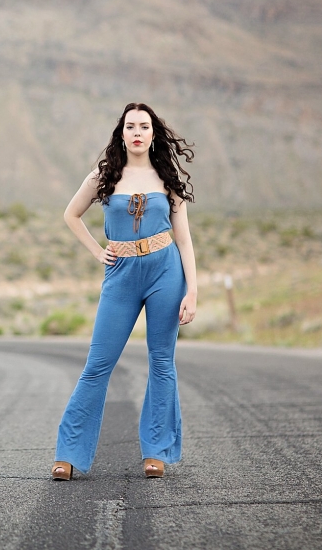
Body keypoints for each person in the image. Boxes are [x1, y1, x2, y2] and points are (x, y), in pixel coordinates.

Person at [51, 102, 198, 480]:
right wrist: (98, 251)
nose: (136, 132)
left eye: (143, 126)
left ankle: (156, 452)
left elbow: (183, 238)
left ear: (153, 134)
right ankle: (68, 454)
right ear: (121, 133)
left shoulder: (167, 176)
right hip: (120, 274)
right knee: (98, 364)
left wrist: (192, 291)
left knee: (161, 362)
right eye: (130, 126)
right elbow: (71, 214)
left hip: (166, 270)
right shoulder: (105, 175)